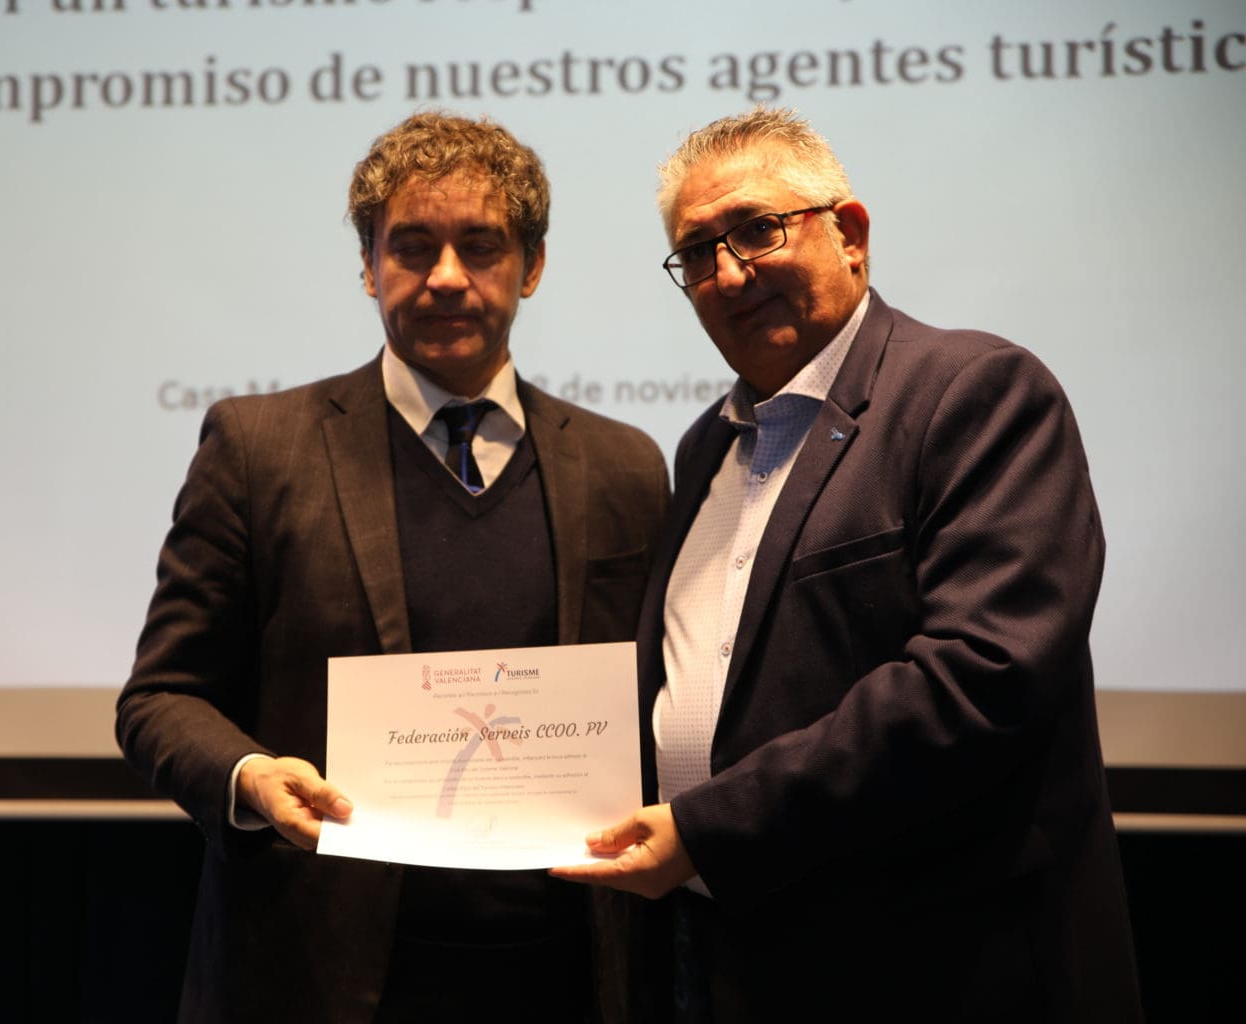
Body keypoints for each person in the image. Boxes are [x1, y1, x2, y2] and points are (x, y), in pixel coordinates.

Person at [553, 107, 1143, 1021]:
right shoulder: (705, 446)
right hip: (719, 954)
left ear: (850, 235)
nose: (729, 273)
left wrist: (709, 828)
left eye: (757, 229)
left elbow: (982, 677)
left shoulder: (974, 392)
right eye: (698, 252)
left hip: (929, 968)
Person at [116, 111, 669, 1024]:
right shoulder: (259, 449)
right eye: (411, 247)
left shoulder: (625, 467)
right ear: (370, 267)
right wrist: (248, 776)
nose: (446, 276)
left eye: (480, 246)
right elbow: (160, 698)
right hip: (317, 976)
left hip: (567, 974)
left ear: (532, 266)